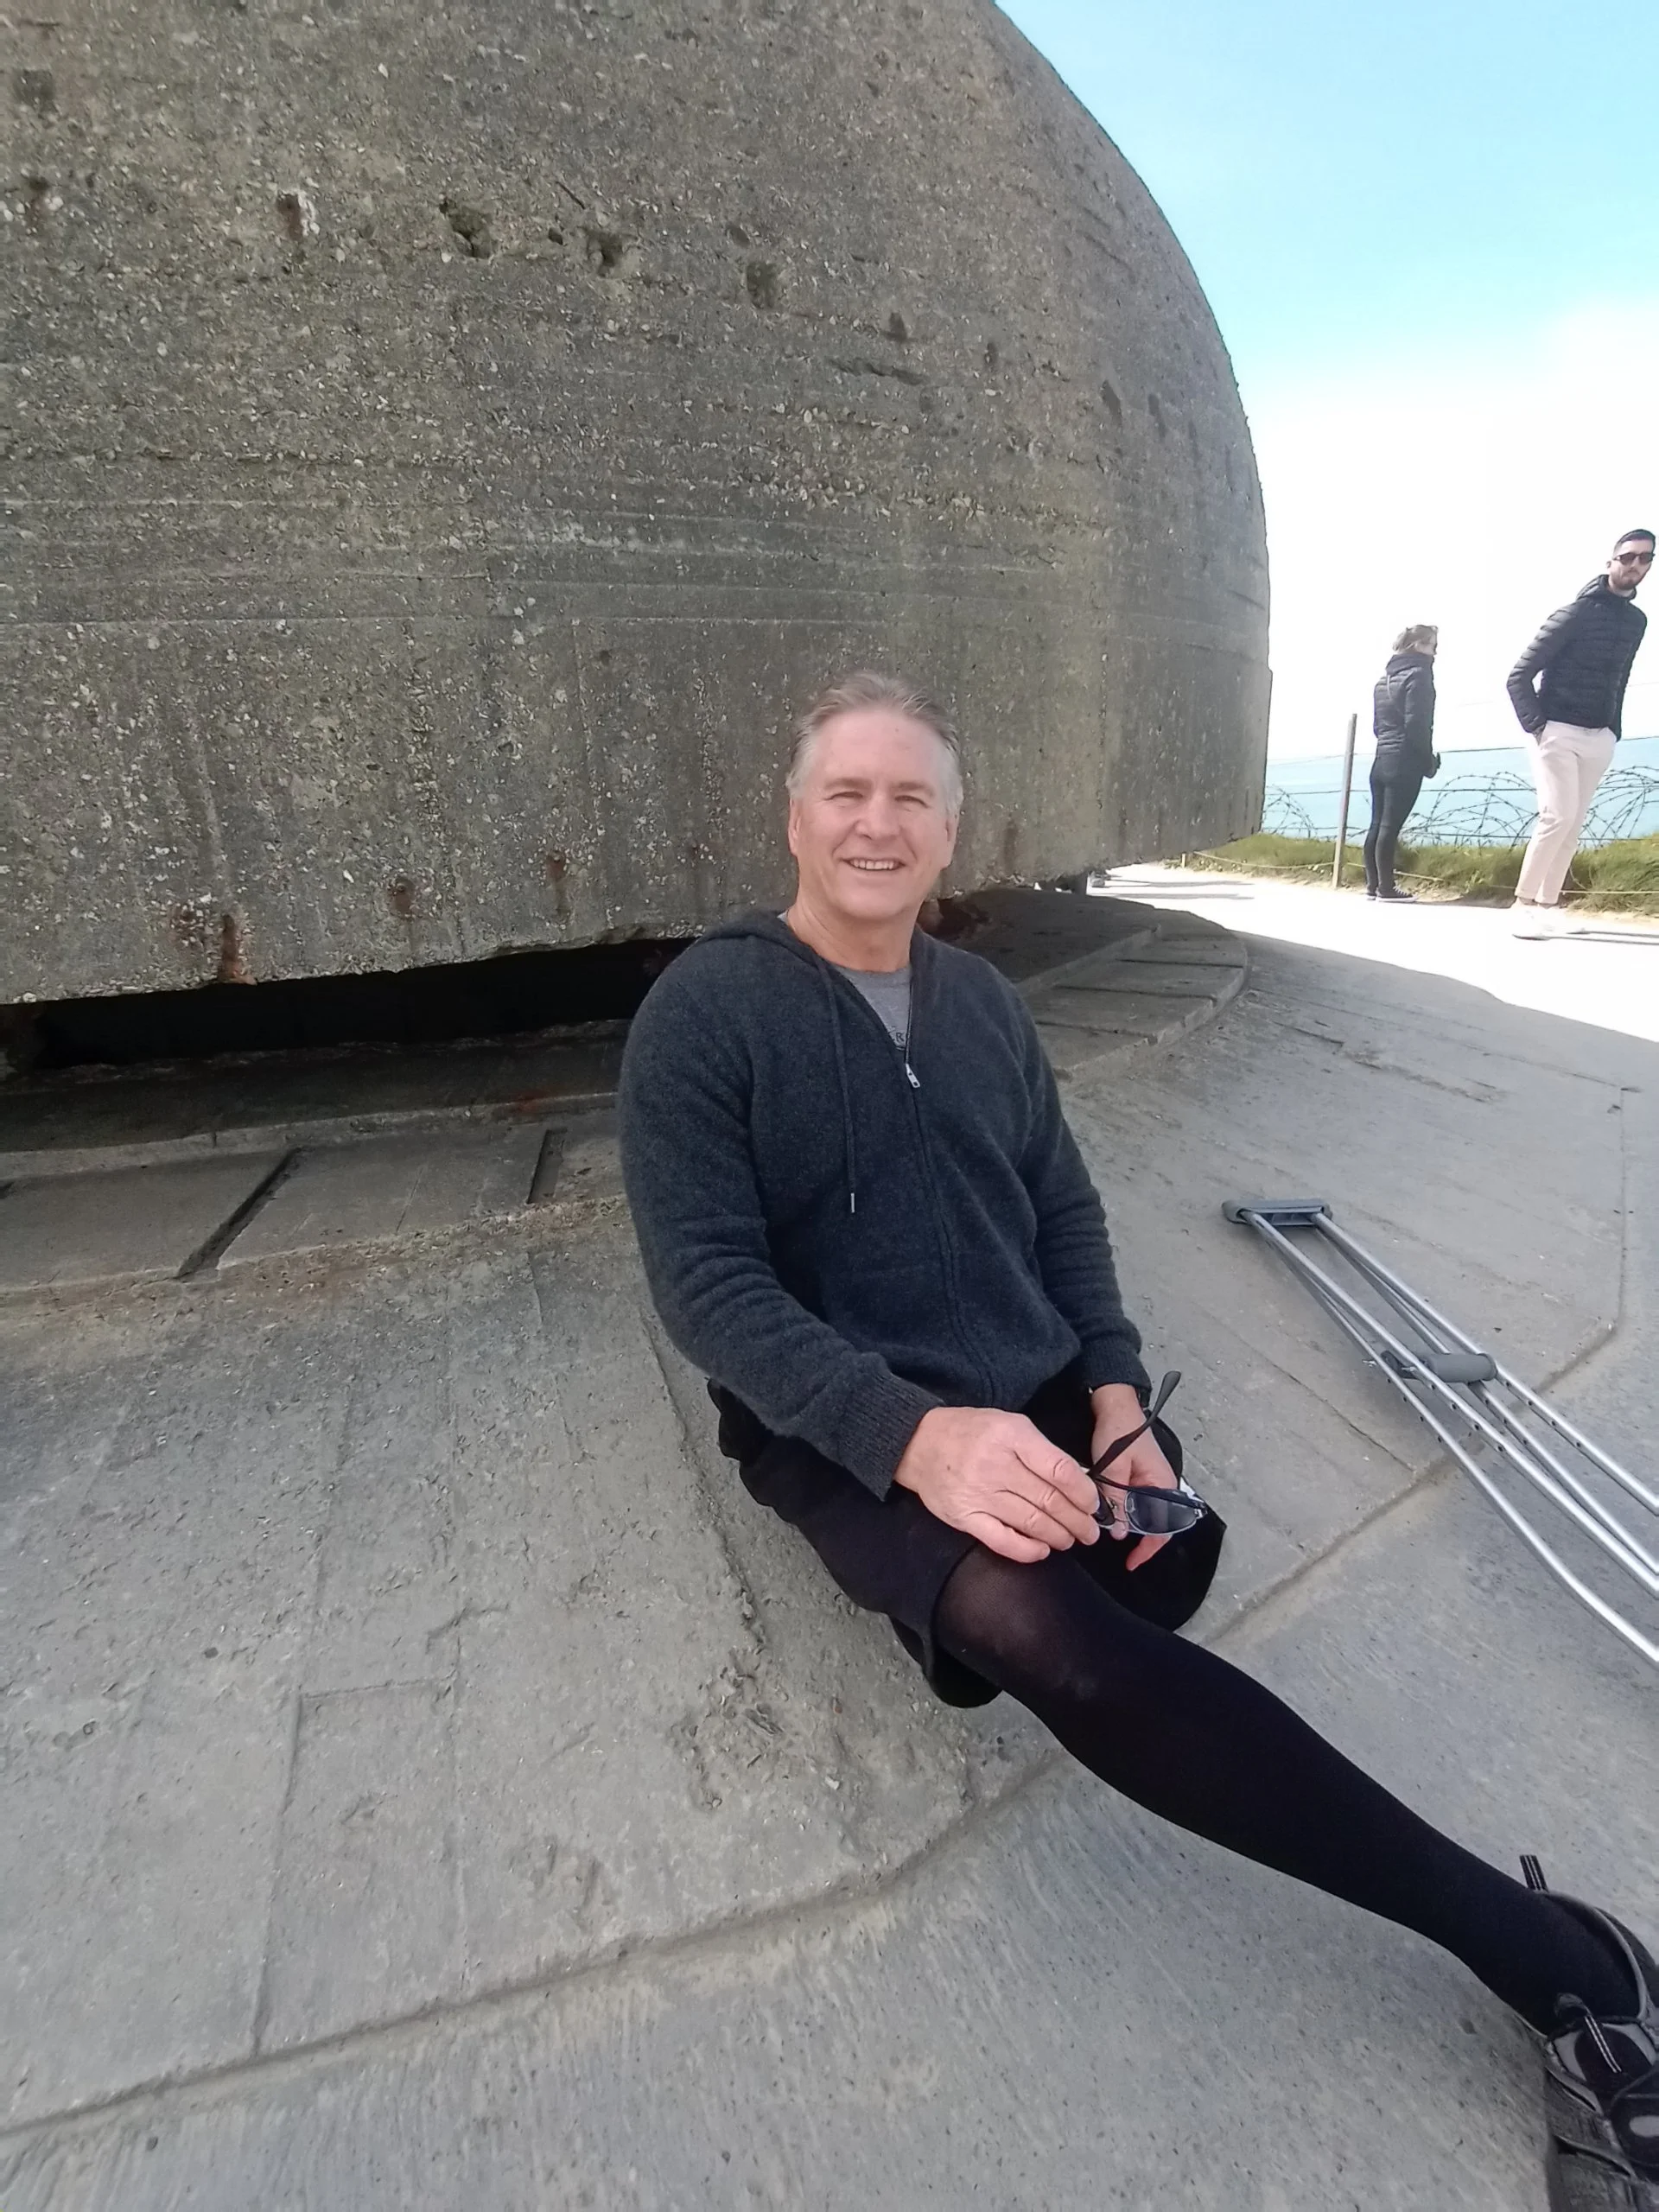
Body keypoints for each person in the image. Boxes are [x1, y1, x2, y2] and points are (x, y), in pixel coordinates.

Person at [619, 670, 1659, 2207]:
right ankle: (1563, 1963)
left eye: (912, 797)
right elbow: (704, 1287)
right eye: (847, 792)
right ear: (793, 816)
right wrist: (915, 1443)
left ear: (951, 830)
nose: (877, 822)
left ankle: (1040, 1540)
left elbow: (1060, 1210)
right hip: (844, 1419)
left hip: (1028, 1379)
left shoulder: (979, 1004)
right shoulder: (705, 1011)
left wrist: (1113, 1402)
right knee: (1078, 1651)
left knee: (1162, 1577)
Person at [1506, 530, 1652, 938]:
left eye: (1645, 559)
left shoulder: (1637, 621)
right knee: (1557, 816)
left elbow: (1620, 678)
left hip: (1599, 735)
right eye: (1627, 557)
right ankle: (1521, 905)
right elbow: (1518, 676)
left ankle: (1549, 906)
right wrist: (1538, 727)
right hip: (1557, 730)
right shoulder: (1575, 612)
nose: (1635, 566)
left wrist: (1613, 729)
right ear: (1611, 561)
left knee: (1574, 825)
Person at [1364, 624, 1440, 901]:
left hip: (1381, 758)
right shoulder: (1419, 677)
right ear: (1417, 645)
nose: (1436, 653)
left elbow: (1377, 727)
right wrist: (1427, 761)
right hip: (1404, 761)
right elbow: (1418, 725)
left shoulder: (1382, 681)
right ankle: (1386, 888)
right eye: (1433, 645)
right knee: (1390, 827)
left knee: (1377, 824)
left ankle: (1373, 885)